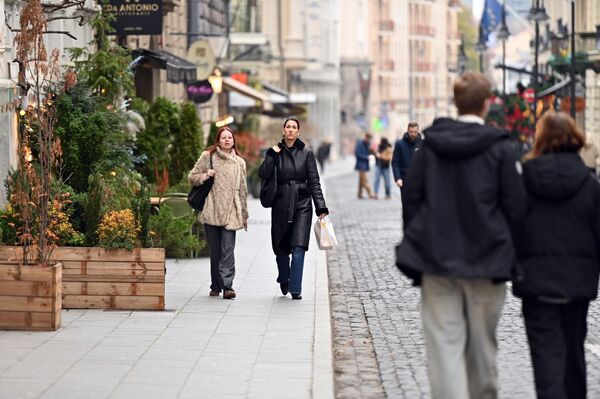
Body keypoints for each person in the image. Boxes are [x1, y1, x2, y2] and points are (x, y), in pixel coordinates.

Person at [395, 72, 526, 399]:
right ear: (486, 104)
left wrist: (419, 240)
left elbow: (411, 198)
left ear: (455, 103)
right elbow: (515, 207)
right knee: (483, 347)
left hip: (437, 260)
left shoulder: (430, 147)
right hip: (488, 260)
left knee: (443, 347)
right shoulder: (501, 149)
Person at [514, 111, 600, 399]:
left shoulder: (524, 181)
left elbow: (513, 228)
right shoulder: (590, 186)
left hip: (536, 283)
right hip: (577, 285)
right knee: (574, 356)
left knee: (546, 359)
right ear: (576, 140)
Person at [258, 117, 329, 300]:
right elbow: (263, 173)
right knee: (281, 247)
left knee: (299, 246)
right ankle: (284, 277)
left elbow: (314, 181)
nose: (290, 130)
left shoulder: (306, 153)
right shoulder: (275, 152)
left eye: (294, 127)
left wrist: (320, 206)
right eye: (287, 127)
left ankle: (295, 288)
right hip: (281, 202)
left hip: (302, 203)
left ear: (298, 132)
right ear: (283, 130)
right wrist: (272, 156)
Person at [188, 127, 249, 300]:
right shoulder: (208, 157)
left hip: (231, 211)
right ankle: (216, 284)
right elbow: (192, 176)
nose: (227, 140)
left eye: (230, 137)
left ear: (233, 141)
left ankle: (228, 286)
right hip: (212, 210)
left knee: (228, 250)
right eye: (224, 138)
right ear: (218, 140)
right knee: (215, 251)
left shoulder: (239, 162)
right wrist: (205, 175)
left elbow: (243, 190)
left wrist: (244, 215)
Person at [391, 122, 422, 192]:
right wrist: (398, 178)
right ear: (407, 131)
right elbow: (395, 163)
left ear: (418, 131)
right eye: (411, 132)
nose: (413, 134)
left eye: (415, 132)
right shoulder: (399, 144)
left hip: (419, 181)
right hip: (405, 181)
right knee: (407, 203)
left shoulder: (423, 144)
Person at [355, 132, 376, 199]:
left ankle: (359, 194)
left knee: (361, 180)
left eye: (370, 139)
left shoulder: (368, 144)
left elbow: (369, 152)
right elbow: (358, 154)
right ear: (366, 137)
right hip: (361, 164)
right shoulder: (360, 144)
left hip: (365, 164)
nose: (369, 140)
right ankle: (370, 193)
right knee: (364, 180)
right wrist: (366, 157)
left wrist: (372, 151)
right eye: (368, 139)